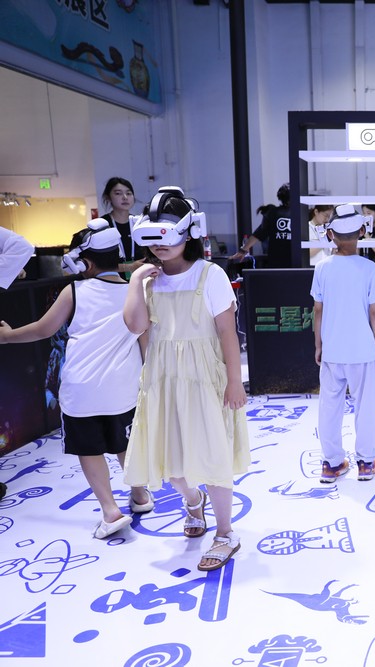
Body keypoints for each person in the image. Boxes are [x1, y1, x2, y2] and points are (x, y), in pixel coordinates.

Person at [123, 186, 249, 571]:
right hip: (162, 379)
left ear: (188, 233)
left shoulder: (211, 275)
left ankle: (225, 533)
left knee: (212, 456)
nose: (160, 245)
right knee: (172, 463)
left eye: (167, 234)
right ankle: (193, 501)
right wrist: (135, 282)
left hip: (204, 379)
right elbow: (135, 326)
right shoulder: (149, 280)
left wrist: (235, 381)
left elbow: (227, 333)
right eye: (153, 236)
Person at [0, 220, 152, 538]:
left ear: (85, 262)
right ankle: (140, 495)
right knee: (126, 444)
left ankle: (110, 511)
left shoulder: (74, 291)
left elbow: (44, 329)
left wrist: (8, 336)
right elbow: (145, 341)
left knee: (89, 448)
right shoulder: (135, 291)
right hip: (124, 388)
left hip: (82, 391)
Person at [311, 204, 375, 482]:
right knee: (365, 407)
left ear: (331, 234)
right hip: (362, 349)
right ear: (362, 231)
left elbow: (318, 310)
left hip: (332, 349)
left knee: (329, 408)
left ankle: (331, 464)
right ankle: (365, 463)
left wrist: (318, 344)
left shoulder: (322, 268)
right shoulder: (369, 268)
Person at [231, 183, 292, 267]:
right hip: (297, 264)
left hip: (276, 265)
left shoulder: (272, 213)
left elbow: (258, 234)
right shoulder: (301, 214)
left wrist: (243, 251)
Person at [100, 177, 144, 275]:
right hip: (112, 280)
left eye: (129, 193)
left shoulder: (140, 223)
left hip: (141, 278)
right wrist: (129, 267)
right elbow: (98, 264)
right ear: (108, 198)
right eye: (118, 193)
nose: (125, 197)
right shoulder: (102, 226)